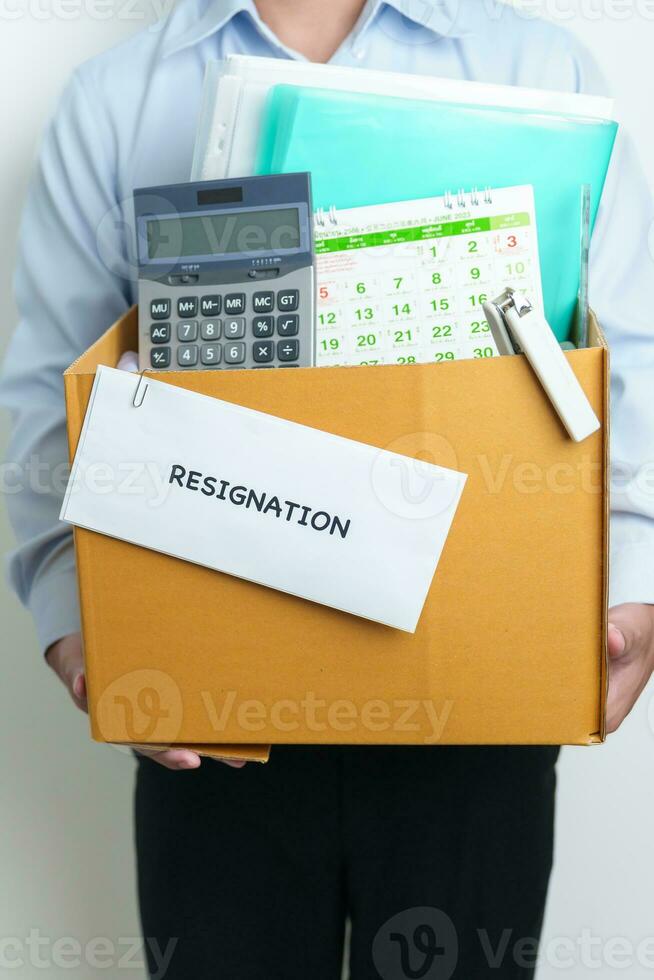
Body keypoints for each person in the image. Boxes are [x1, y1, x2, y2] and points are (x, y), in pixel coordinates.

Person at [2, 0, 654, 976]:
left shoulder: (539, 65)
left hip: (478, 685)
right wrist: (77, 628)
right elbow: (49, 389)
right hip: (215, 699)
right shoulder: (113, 99)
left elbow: (627, 356)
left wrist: (635, 583)